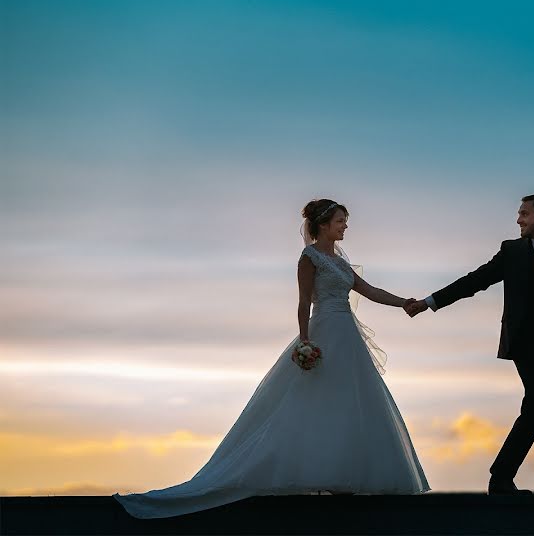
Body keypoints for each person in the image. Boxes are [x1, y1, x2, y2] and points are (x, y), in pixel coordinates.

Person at [114, 199, 429, 519]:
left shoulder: (342, 263)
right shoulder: (309, 258)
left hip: (346, 335)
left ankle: (340, 474)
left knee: (347, 400)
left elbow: (370, 290)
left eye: (344, 221)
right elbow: (304, 300)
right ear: (323, 224)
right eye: (340, 221)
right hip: (324, 332)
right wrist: (305, 340)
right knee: (311, 400)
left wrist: (405, 302)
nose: (344, 226)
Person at [405, 194, 534, 495]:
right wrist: (430, 302)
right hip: (523, 341)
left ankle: (501, 477)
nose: (519, 220)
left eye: (524, 214)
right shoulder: (511, 251)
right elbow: (474, 280)